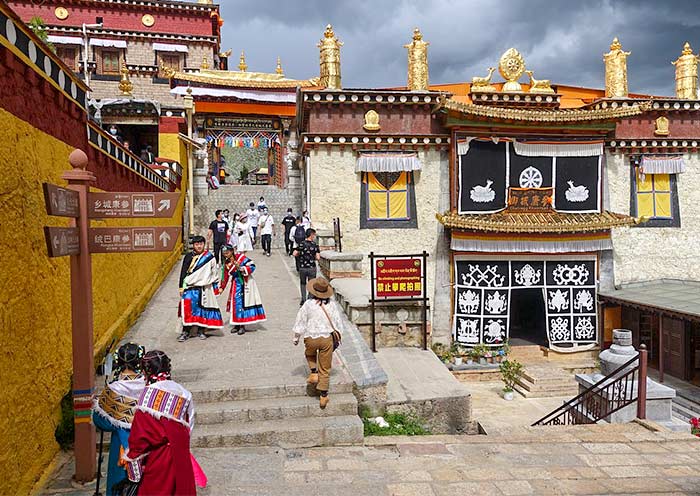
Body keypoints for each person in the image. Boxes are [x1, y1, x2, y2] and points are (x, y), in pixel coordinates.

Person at [123, 350, 204, 496]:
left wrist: (133, 469)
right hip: (181, 457)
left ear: (146, 371)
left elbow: (139, 438)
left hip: (159, 460)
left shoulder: (148, 395)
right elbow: (188, 427)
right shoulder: (184, 394)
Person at [92, 343, 146, 496]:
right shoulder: (148, 387)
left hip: (121, 448)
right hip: (145, 444)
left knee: (120, 486)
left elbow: (99, 421)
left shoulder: (114, 389)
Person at [292, 278, 341, 409]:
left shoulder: (308, 304)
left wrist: (296, 337)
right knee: (325, 368)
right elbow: (337, 323)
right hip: (326, 339)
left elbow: (300, 321)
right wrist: (339, 336)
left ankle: (313, 372)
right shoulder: (331, 305)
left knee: (310, 354)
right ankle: (323, 395)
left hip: (310, 337)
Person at [178, 235, 223, 341]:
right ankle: (185, 332)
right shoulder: (188, 256)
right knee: (188, 310)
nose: (199, 246)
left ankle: (201, 331)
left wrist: (215, 287)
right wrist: (181, 287)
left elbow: (214, 273)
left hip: (205, 287)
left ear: (204, 244)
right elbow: (183, 272)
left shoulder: (209, 257)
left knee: (203, 310)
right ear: (193, 245)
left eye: (201, 244)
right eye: (196, 244)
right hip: (190, 287)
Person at [217, 245, 266, 335]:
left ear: (232, 251)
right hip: (235, 284)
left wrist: (242, 268)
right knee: (235, 304)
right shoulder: (226, 264)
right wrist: (221, 288)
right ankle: (236, 324)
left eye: (227, 252)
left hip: (245, 283)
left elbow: (252, 265)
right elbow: (225, 277)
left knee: (242, 303)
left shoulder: (241, 257)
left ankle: (242, 325)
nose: (226, 254)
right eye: (224, 253)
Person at [293, 228, 321, 305]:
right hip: (312, 267)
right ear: (311, 235)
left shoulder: (301, 244)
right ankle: (310, 299)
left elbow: (294, 253)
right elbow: (318, 257)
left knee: (303, 283)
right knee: (311, 283)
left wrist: (301, 254)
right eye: (314, 235)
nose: (314, 236)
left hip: (302, 267)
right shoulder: (315, 245)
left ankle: (303, 298)